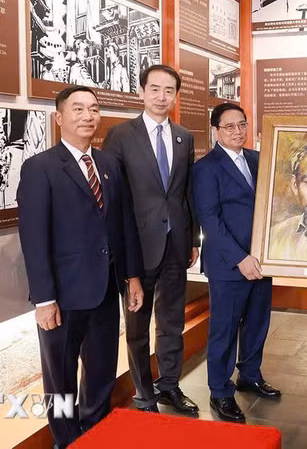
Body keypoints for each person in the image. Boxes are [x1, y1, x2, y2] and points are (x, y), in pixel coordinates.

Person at [17, 85, 144, 448]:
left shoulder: (108, 165)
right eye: (78, 110)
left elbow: (124, 226)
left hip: (105, 289)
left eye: (93, 109)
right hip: (63, 295)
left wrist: (131, 276)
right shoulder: (40, 168)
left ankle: (96, 433)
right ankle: (66, 441)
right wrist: (44, 299)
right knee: (60, 378)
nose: (88, 116)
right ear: (60, 118)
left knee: (102, 370)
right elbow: (34, 239)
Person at [103, 64, 200, 415]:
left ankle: (170, 385)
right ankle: (145, 396)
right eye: (155, 89)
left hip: (176, 245)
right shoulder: (120, 135)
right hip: (137, 248)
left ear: (176, 95)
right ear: (141, 92)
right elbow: (113, 197)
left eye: (169, 90)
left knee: (173, 322)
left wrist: (193, 239)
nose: (162, 96)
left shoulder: (184, 136)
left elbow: (185, 193)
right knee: (138, 327)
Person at [192, 103, 281, 422]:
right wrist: (240, 258)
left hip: (262, 259)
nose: (237, 131)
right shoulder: (206, 168)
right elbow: (209, 219)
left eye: (241, 124)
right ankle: (219, 391)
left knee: (258, 322)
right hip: (229, 264)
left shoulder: (258, 159)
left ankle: (250, 375)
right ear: (215, 130)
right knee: (225, 329)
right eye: (229, 127)